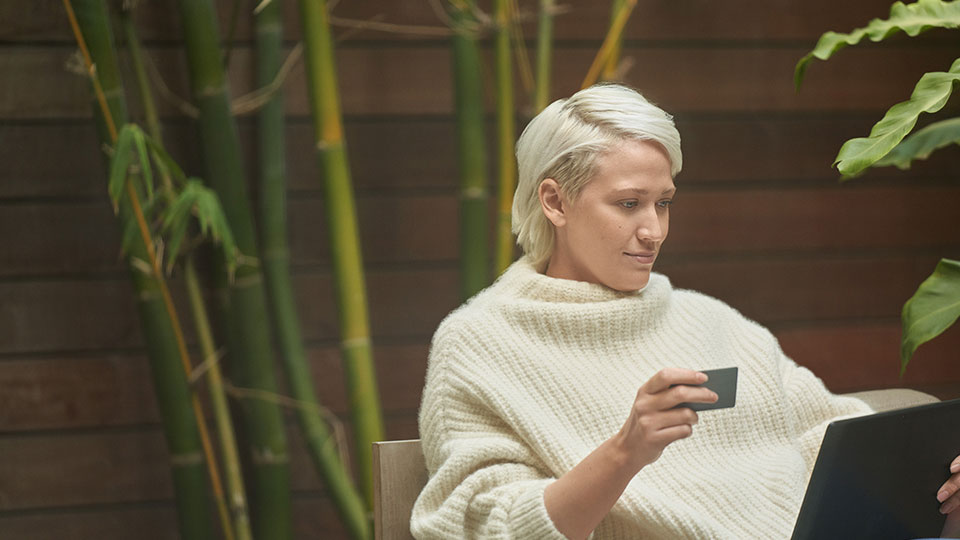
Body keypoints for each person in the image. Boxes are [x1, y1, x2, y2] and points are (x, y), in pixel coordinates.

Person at [410, 83, 960, 539]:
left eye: (663, 202)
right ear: (554, 202)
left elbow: (828, 433)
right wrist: (625, 453)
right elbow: (486, 527)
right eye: (629, 204)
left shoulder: (711, 319)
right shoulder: (479, 345)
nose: (653, 230)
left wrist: (935, 483)